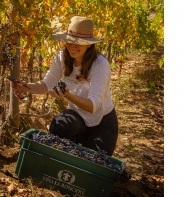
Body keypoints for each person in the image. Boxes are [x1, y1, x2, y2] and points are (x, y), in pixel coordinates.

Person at [14, 16, 118, 156]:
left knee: (94, 164)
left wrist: (68, 95)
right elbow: (46, 85)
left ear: (89, 44)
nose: (72, 46)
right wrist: (26, 87)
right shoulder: (62, 57)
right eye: (69, 41)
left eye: (79, 43)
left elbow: (93, 106)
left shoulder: (100, 65)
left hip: (102, 122)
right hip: (77, 117)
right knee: (60, 125)